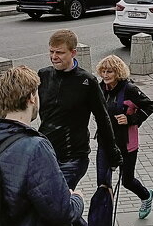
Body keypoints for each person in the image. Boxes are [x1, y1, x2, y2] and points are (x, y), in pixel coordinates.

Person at [0, 65, 84, 226]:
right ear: (31, 97)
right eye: (37, 93)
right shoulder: (35, 147)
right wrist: (77, 199)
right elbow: (61, 213)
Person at [37, 29, 122, 189]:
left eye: (60, 52)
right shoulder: (44, 75)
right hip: (47, 153)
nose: (54, 57)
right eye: (51, 51)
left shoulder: (87, 82)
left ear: (73, 52)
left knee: (58, 203)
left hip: (72, 158)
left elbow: (103, 119)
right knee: (51, 206)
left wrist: (112, 152)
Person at [95, 55, 153, 219]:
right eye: (104, 71)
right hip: (105, 141)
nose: (106, 75)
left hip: (127, 143)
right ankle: (104, 216)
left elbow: (150, 106)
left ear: (118, 73)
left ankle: (146, 196)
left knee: (127, 181)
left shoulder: (129, 89)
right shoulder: (99, 88)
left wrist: (131, 119)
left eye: (110, 72)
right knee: (102, 182)